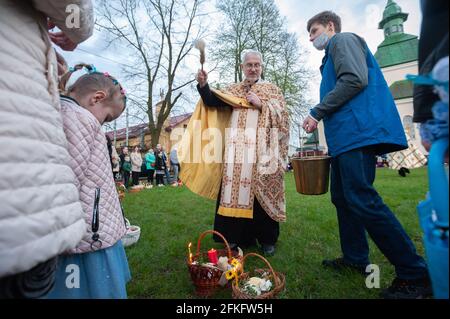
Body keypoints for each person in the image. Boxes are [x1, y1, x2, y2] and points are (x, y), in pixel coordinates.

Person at [303, 11, 431, 299]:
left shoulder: (342, 40)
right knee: (342, 198)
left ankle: (415, 273)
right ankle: (356, 258)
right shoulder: (329, 57)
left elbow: (354, 80)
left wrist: (316, 111)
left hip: (356, 134)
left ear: (330, 26)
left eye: (314, 30)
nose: (311, 38)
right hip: (344, 139)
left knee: (362, 198)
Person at [0, 0, 94, 298]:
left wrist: (44, 54)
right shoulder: (83, 119)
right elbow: (72, 7)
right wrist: (77, 26)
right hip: (19, 177)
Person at [183, 49, 289, 256]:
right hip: (236, 155)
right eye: (249, 65)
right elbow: (212, 102)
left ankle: (268, 240)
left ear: (261, 67)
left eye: (257, 64)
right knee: (233, 194)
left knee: (262, 196)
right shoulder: (233, 90)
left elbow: (284, 118)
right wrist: (204, 86)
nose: (253, 68)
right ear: (242, 67)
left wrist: (262, 105)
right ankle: (234, 239)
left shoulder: (272, 91)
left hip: (263, 154)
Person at [47, 64, 130, 298]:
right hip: (87, 236)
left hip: (92, 229)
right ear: (97, 98)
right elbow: (67, 178)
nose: (103, 124)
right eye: (107, 117)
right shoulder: (79, 118)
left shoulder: (71, 115)